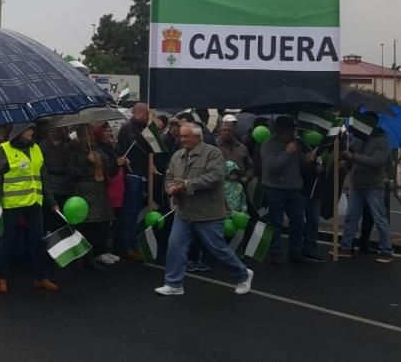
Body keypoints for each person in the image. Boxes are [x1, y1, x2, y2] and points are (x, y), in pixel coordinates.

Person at [153, 122, 254, 297]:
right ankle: (174, 283)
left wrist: (186, 185)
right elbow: (169, 176)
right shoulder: (177, 155)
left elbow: (215, 177)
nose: (181, 139)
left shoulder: (213, 153)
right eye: (180, 136)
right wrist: (169, 188)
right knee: (175, 246)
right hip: (183, 211)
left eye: (185, 136)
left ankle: (243, 274)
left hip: (208, 213)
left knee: (218, 249)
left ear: (197, 137)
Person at [0, 123, 61, 293]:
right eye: (29, 129)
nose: (32, 132)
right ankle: (1, 277)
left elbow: (43, 176)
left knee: (38, 239)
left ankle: (40, 277)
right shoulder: (5, 149)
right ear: (19, 132)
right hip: (13, 202)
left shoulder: (36, 148)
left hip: (34, 201)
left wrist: (51, 202)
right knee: (8, 240)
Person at [338, 123, 394, 263]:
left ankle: (386, 250)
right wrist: (346, 158)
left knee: (379, 219)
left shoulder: (382, 141)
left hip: (373, 186)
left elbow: (378, 162)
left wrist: (353, 156)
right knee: (351, 217)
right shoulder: (358, 138)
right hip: (357, 185)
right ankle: (345, 247)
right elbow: (352, 155)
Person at [69, 124, 119, 267]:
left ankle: (99, 252)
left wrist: (113, 163)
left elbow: (109, 167)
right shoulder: (74, 151)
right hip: (84, 190)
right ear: (80, 137)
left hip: (99, 188)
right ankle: (85, 256)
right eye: (86, 135)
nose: (89, 138)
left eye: (91, 135)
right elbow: (73, 172)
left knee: (101, 223)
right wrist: (87, 161)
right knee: (87, 225)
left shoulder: (97, 149)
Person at [260, 116, 306, 264]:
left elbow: (299, 164)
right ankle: (275, 252)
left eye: (293, 131)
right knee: (275, 223)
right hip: (275, 189)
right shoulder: (269, 144)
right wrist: (286, 152)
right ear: (281, 131)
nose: (292, 134)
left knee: (298, 221)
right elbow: (272, 167)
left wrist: (308, 160)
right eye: (289, 131)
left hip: (293, 188)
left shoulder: (295, 143)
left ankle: (295, 251)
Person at [115, 103, 153, 261]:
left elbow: (154, 148)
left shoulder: (140, 129)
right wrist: (150, 131)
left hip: (140, 174)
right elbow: (140, 146)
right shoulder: (128, 128)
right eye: (146, 115)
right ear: (139, 113)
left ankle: (133, 243)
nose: (147, 118)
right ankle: (126, 246)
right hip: (131, 174)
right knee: (129, 213)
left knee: (134, 212)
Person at [38, 124, 75, 229]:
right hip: (51, 187)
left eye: (58, 130)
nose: (55, 133)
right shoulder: (42, 146)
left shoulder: (67, 146)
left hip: (67, 186)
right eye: (52, 131)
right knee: (52, 220)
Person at [300, 142, 329, 263]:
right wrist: (310, 164)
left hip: (315, 191)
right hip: (301, 189)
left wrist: (322, 170)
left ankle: (310, 250)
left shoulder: (324, 148)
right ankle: (297, 248)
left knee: (313, 221)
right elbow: (298, 167)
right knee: (299, 221)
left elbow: (325, 168)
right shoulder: (300, 145)